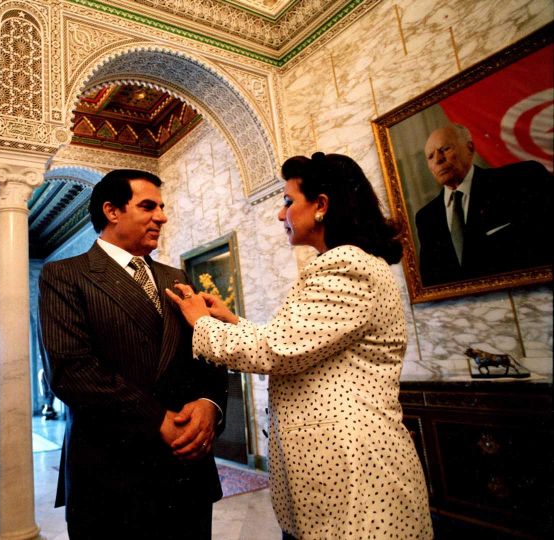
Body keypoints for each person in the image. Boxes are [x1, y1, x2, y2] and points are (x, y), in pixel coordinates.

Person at [166, 153, 433, 539]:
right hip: (340, 471)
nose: (280, 214)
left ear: (321, 205)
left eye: (289, 201)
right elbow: (305, 344)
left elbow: (276, 349)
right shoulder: (347, 263)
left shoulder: (346, 265)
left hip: (357, 475)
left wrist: (201, 322)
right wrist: (233, 321)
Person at [38, 169, 228, 540]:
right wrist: (157, 418)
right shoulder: (66, 275)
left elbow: (210, 349)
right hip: (111, 475)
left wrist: (209, 404)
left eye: (162, 206)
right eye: (148, 206)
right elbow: (72, 372)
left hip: (186, 470)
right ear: (111, 211)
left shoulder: (176, 276)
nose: (162, 216)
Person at [416, 124, 552, 286]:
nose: (438, 159)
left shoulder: (521, 180)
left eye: (445, 149)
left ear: (470, 148)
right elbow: (431, 283)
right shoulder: (426, 218)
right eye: (430, 157)